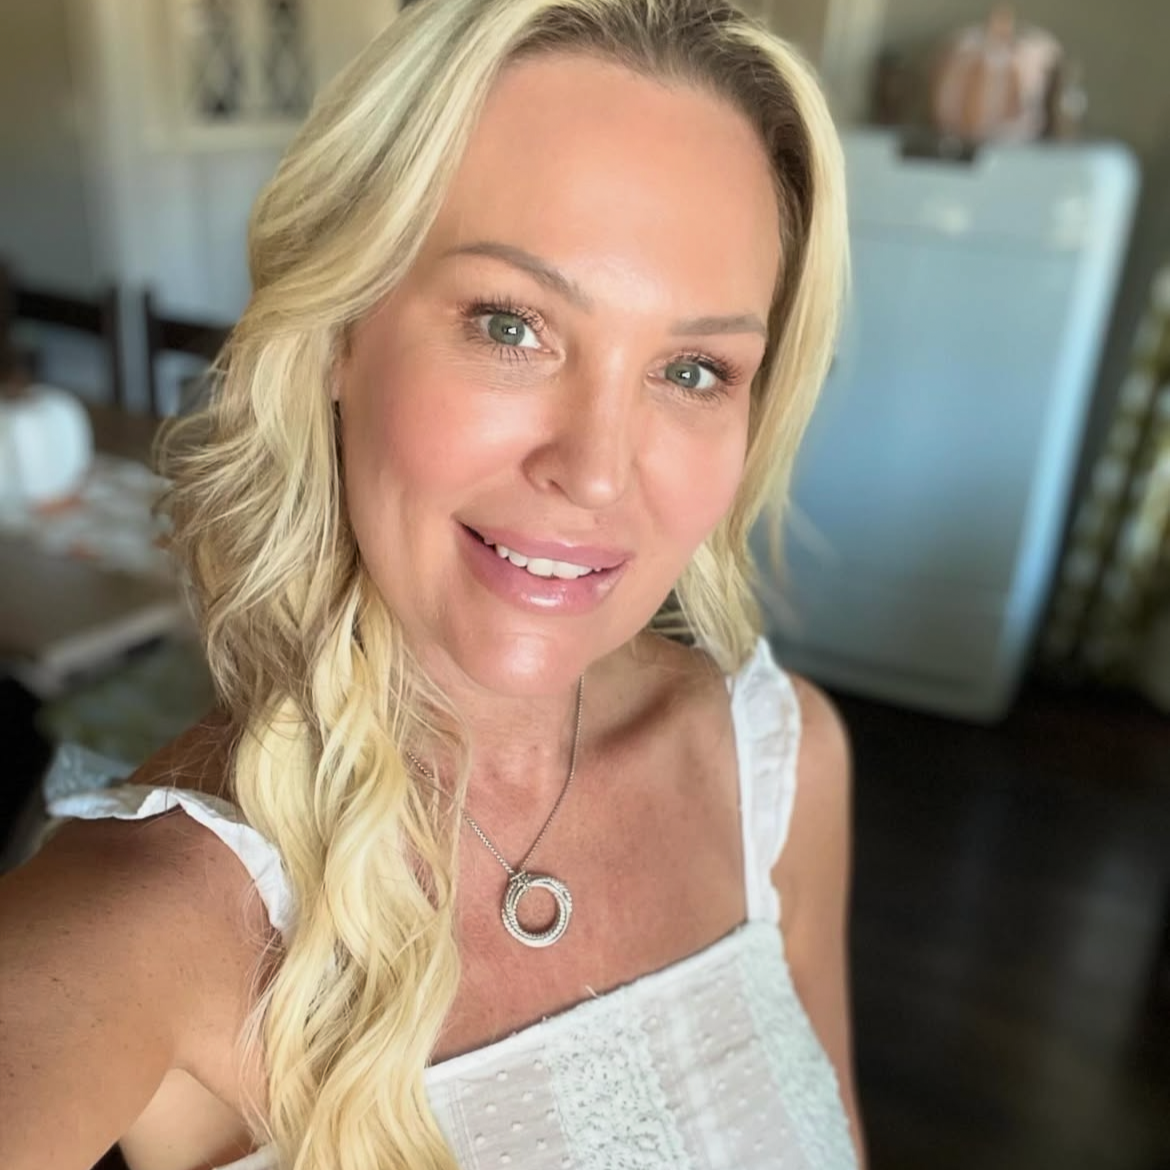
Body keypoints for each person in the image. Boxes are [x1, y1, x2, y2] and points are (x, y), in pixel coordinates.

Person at [0, 0, 861, 1165]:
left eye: (694, 369)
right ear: (340, 331)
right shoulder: (149, 918)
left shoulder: (780, 768)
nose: (597, 472)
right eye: (511, 326)